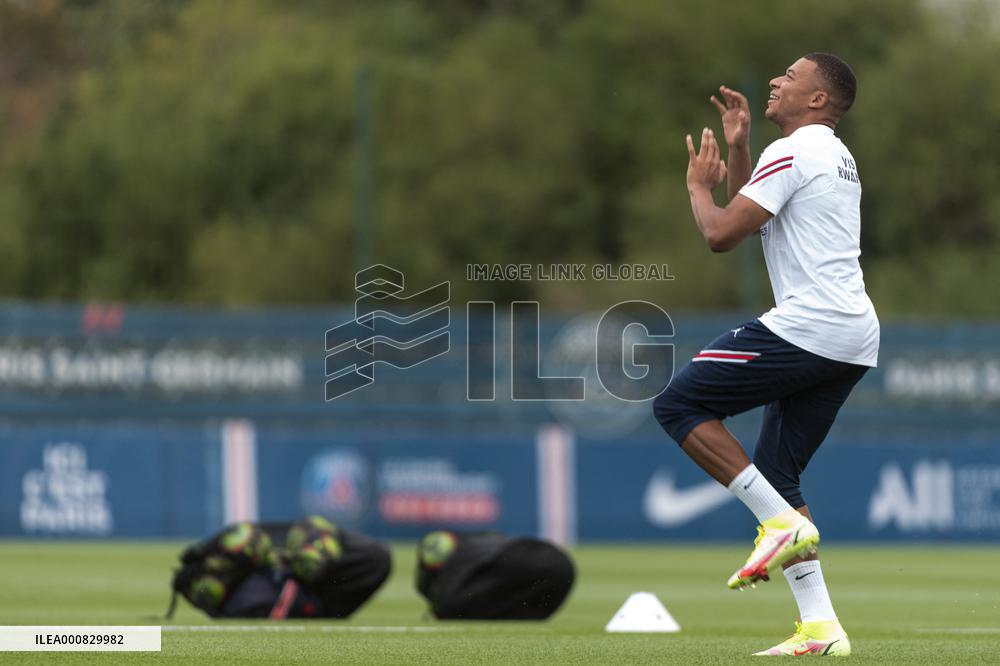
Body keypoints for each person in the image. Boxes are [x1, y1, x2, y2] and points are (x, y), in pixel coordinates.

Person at [653, 53, 878, 657]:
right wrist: (740, 148)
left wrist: (698, 187)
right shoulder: (833, 154)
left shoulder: (796, 149)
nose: (777, 80)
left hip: (812, 325)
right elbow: (755, 218)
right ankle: (821, 627)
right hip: (852, 335)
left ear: (818, 100)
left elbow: (721, 233)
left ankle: (779, 525)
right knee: (777, 476)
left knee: (678, 405)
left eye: (791, 76)